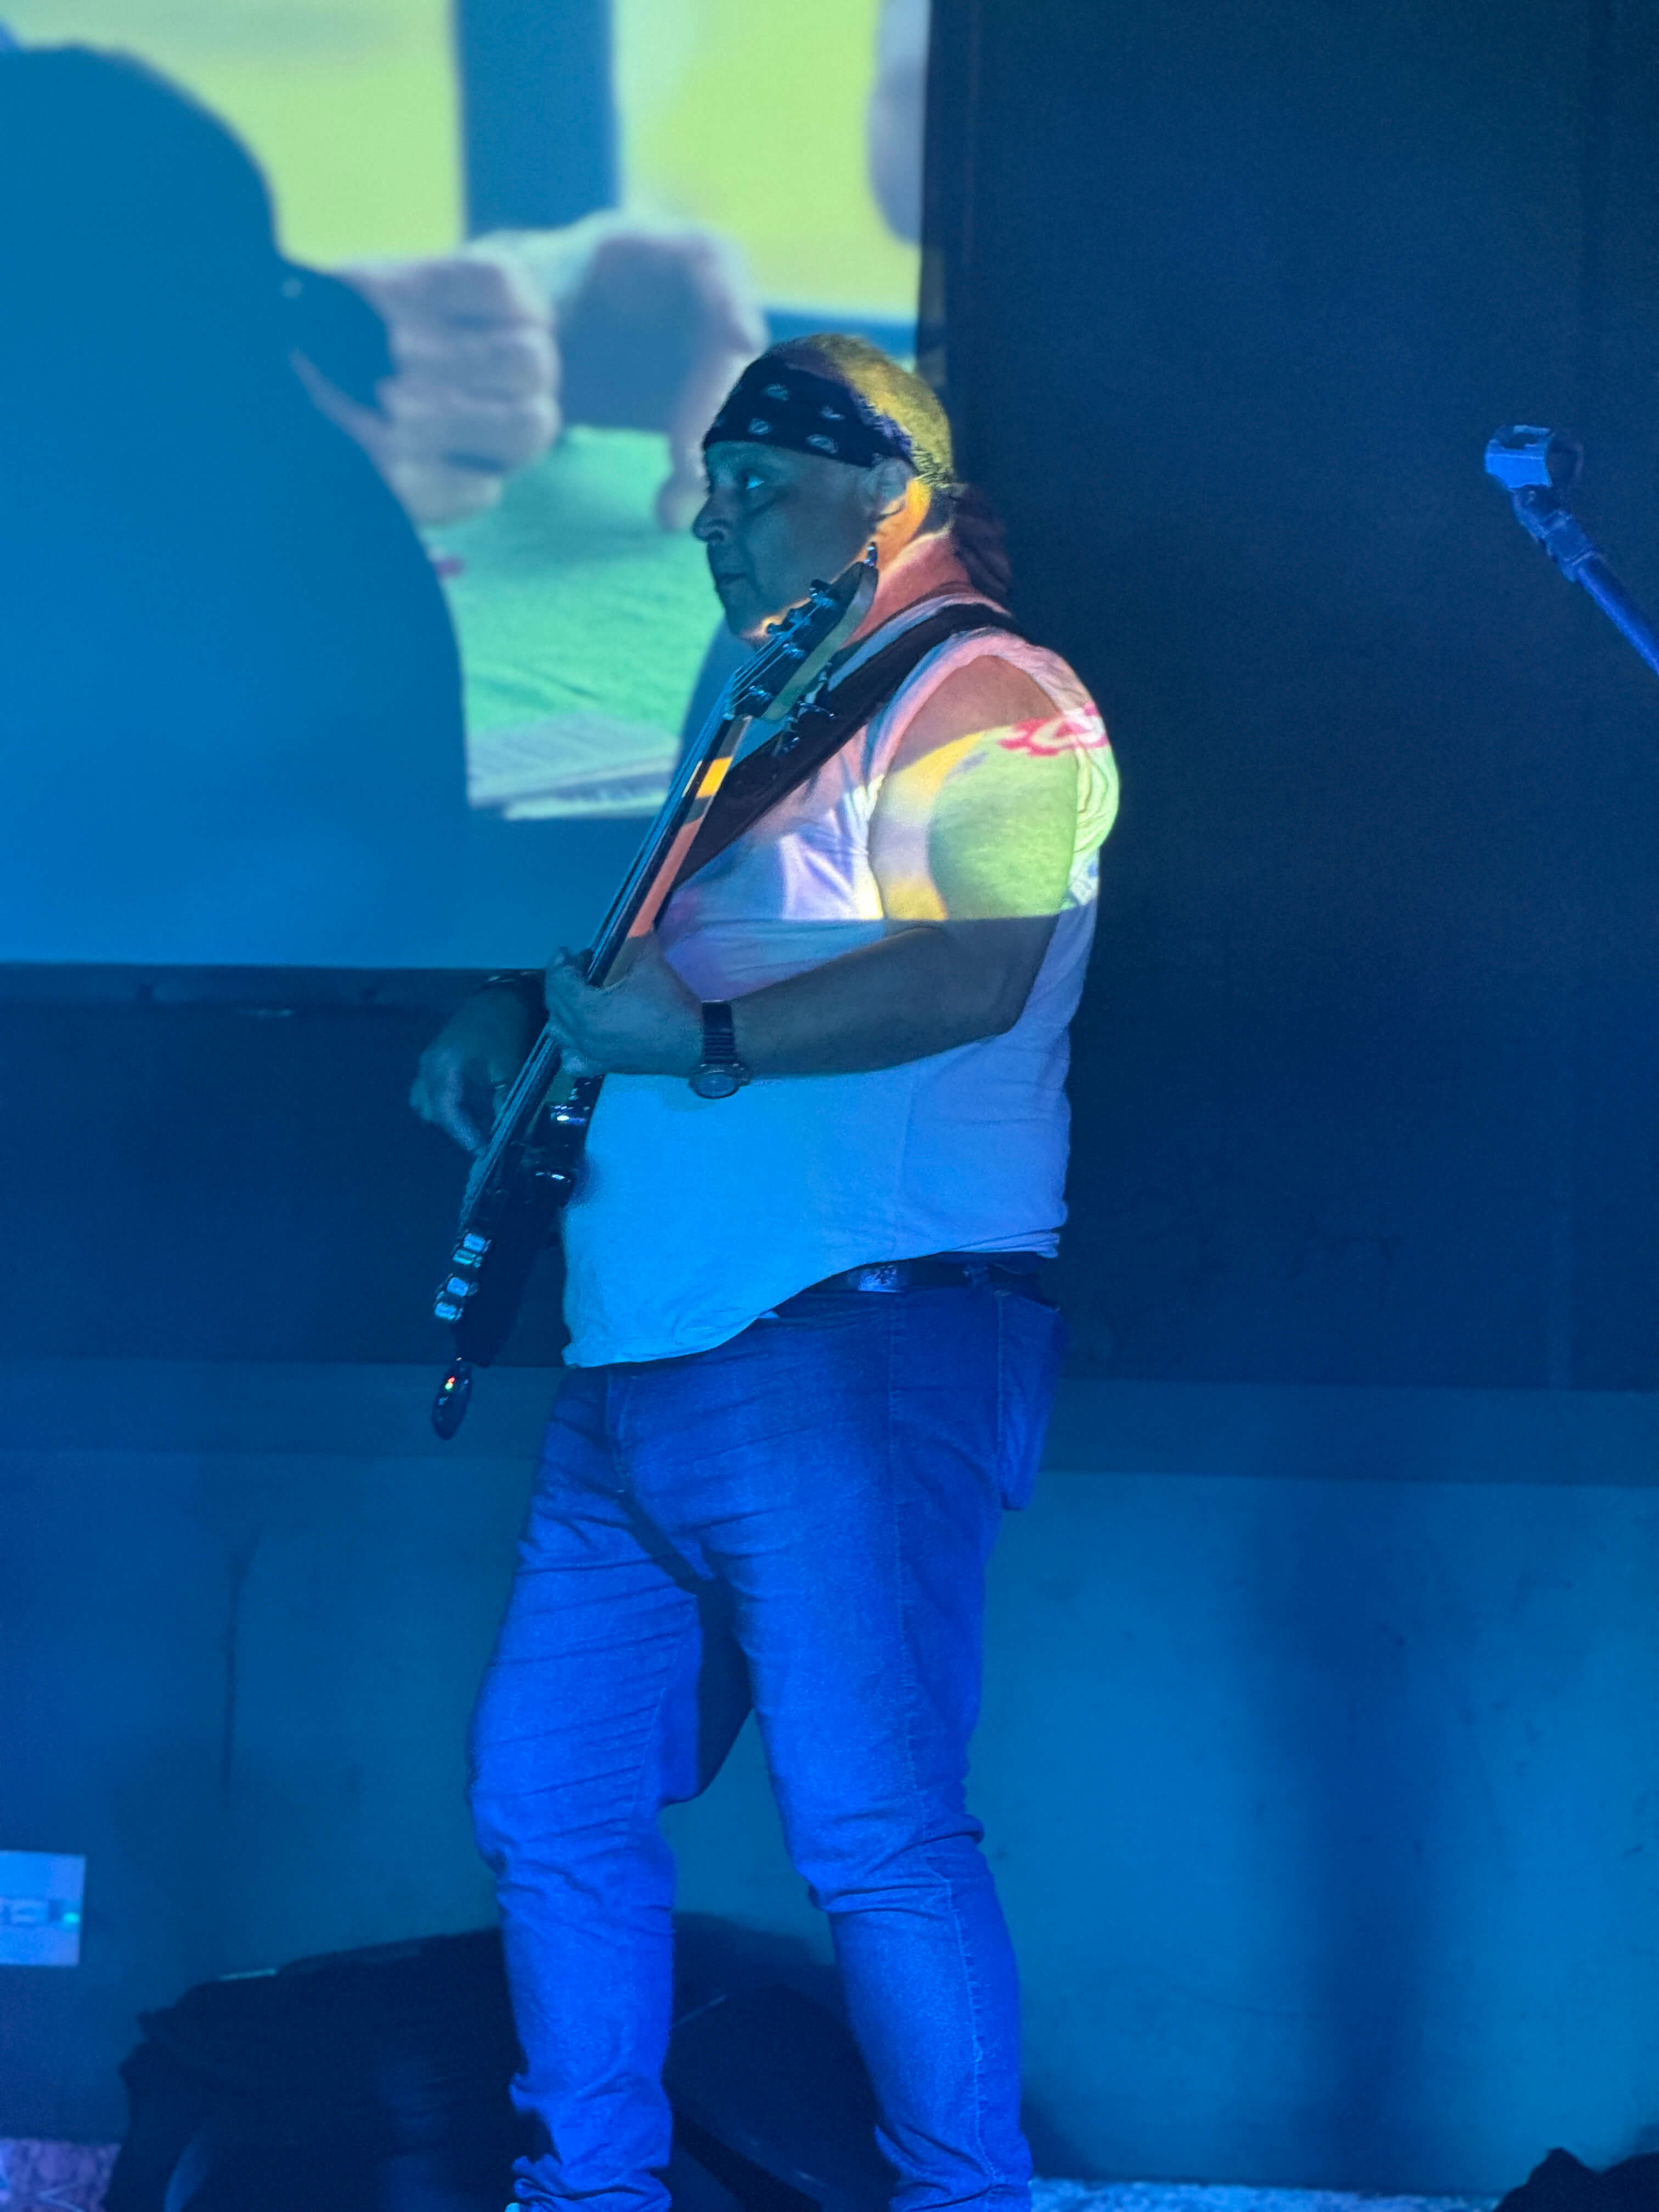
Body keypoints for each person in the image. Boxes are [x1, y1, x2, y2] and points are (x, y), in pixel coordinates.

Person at [411, 334, 1118, 2212]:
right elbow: (674, 968)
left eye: (754, 485)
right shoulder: (774, 710)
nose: (710, 520)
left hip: (851, 1344)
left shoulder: (994, 697)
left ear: (888, 493)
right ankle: (589, 2193)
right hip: (644, 1365)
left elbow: (977, 970)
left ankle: (962, 2198)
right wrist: (521, 1015)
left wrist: (701, 1046)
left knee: (875, 1828)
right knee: (548, 1800)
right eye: (710, 483)